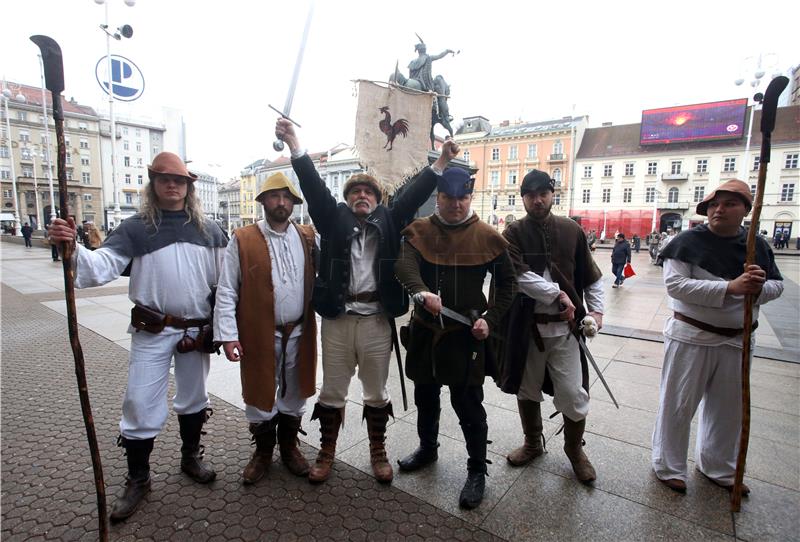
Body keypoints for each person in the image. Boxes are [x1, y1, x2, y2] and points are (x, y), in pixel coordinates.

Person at [275, 118, 459, 485]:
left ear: (377, 200)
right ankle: (327, 452)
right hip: (339, 320)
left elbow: (415, 193)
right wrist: (296, 144)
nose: (362, 195)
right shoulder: (331, 218)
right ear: (347, 199)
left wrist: (440, 162)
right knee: (332, 389)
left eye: (369, 192)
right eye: (356, 191)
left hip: (377, 319)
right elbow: (312, 186)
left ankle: (378, 451)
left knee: (377, 390)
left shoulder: (390, 219)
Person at [47, 151, 228, 522]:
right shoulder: (135, 228)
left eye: (179, 180)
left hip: (196, 330)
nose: (173, 185)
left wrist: (225, 330)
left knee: (194, 396)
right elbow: (100, 267)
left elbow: (227, 285)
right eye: (165, 179)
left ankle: (190, 456)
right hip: (152, 328)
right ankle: (139, 478)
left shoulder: (210, 231)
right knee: (140, 401)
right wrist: (71, 247)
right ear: (154, 184)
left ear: (189, 187)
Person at [652, 179, 783, 495]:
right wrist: (730, 288)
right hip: (692, 337)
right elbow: (676, 287)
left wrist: (759, 287)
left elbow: (777, 286)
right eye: (714, 204)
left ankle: (718, 466)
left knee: (729, 410)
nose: (719, 209)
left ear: (745, 210)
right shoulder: (686, 242)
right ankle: (668, 465)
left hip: (738, 341)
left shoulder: (758, 245)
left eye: (729, 204)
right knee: (678, 404)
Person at [394, 168, 515, 509]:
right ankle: (428, 449)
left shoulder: (487, 235)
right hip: (426, 331)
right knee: (426, 397)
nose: (456, 205)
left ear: (470, 198)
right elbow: (405, 265)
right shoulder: (418, 231)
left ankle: (477, 471)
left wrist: (491, 319)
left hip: (466, 337)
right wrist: (420, 293)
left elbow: (508, 284)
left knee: (469, 406)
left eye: (462, 198)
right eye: (449, 198)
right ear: (439, 198)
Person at [500, 169, 604, 485]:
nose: (537, 200)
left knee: (573, 393)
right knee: (526, 389)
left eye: (543, 193)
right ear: (523, 198)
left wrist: (596, 312)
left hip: (566, 331)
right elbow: (518, 276)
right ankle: (533, 442)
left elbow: (591, 277)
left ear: (551, 194)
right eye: (530, 195)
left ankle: (574, 450)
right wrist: (556, 293)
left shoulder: (572, 230)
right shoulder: (512, 233)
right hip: (527, 330)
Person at [213, 172, 318, 485]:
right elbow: (227, 289)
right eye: (274, 196)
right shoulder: (242, 238)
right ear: (263, 201)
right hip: (259, 332)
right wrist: (229, 334)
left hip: (299, 330)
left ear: (294, 202)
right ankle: (262, 452)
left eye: (287, 197)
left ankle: (289, 447)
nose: (281, 202)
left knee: (296, 388)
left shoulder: (307, 236)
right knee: (259, 391)